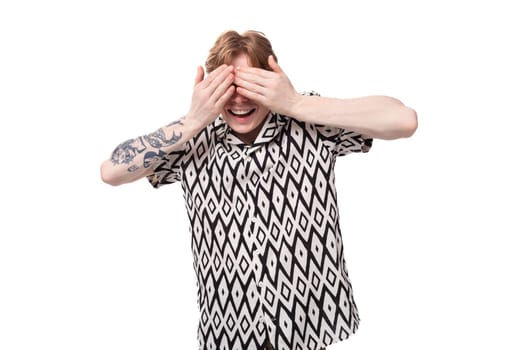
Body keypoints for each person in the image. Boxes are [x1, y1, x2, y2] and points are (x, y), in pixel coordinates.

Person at [100, 30, 417, 350]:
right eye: (228, 86)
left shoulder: (310, 116)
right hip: (229, 331)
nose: (240, 98)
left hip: (316, 328)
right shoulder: (190, 138)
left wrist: (295, 101)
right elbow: (111, 171)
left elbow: (404, 120)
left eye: (252, 84)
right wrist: (193, 121)